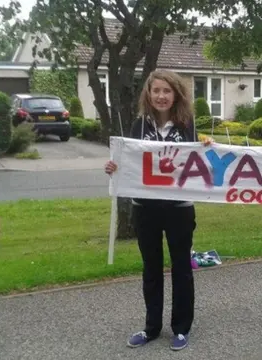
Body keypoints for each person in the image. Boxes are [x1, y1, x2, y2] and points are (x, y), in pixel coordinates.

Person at [104, 70, 213, 351]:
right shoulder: (139, 126)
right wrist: (114, 167)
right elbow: (129, 162)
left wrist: (207, 149)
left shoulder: (186, 124)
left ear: (175, 94)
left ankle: (181, 328)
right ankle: (151, 327)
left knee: (181, 268)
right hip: (146, 209)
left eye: (167, 91)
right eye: (156, 91)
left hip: (179, 208)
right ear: (148, 94)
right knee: (151, 268)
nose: (161, 96)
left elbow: (195, 159)